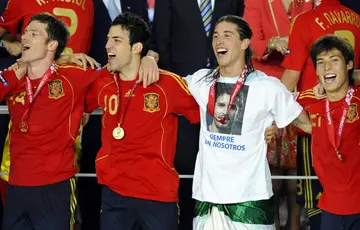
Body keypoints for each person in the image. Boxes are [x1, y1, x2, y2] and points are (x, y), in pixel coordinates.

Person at [180, 15, 311, 229]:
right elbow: (163, 87)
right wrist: (149, 58)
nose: (218, 41)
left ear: (244, 43)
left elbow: (307, 124)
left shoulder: (267, 87)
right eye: (215, 36)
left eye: (227, 35)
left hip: (251, 202)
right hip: (208, 202)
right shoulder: (200, 81)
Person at [149, 1, 245, 227]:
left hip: (226, 90)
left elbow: (241, 34)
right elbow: (161, 40)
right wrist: (175, 89)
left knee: (224, 161)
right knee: (184, 163)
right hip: (185, 91)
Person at [280, 1, 360, 228]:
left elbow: (290, 77)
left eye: (333, 61)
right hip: (340, 117)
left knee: (314, 199)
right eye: (322, 62)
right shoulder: (356, 17)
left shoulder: (305, 20)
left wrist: (275, 121)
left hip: (317, 119)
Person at [244, 1, 313, 228]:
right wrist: (272, 43)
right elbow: (248, 42)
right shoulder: (256, 2)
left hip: (301, 86)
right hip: (267, 89)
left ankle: (295, 224)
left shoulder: (309, 3)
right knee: (270, 168)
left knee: (297, 168)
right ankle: (271, 224)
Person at [296, 35, 360, 230]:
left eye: (334, 60)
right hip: (331, 208)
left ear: (349, 64)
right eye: (321, 63)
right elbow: (277, 103)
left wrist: (355, 76)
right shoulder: (309, 100)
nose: (327, 68)